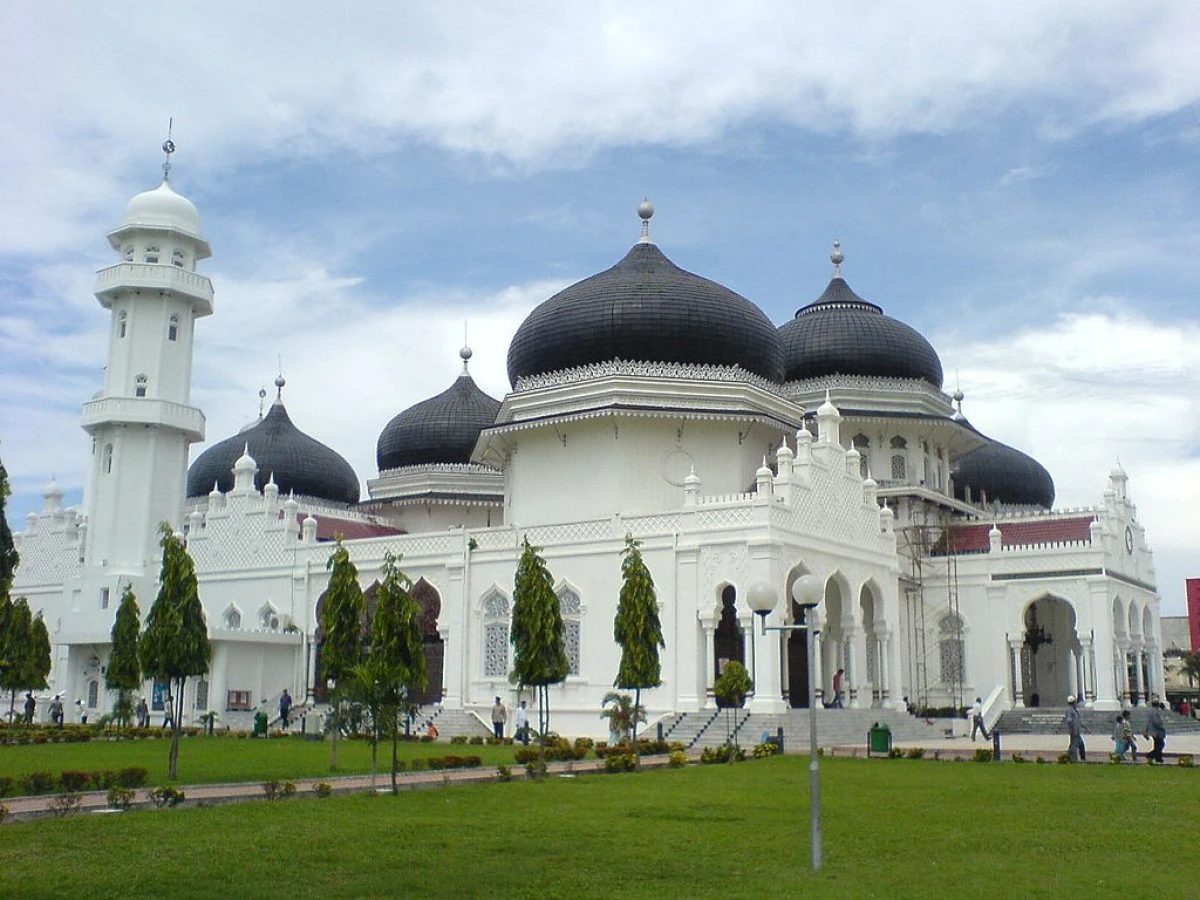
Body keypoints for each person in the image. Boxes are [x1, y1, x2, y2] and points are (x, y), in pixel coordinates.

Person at [1144, 698, 1167, 764]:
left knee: (1157, 745)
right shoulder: (1155, 712)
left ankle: (1157, 757)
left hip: (1154, 731)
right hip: (1157, 732)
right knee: (1160, 744)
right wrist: (1161, 727)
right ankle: (1151, 755)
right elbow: (1157, 722)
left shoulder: (1151, 711)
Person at [1064, 695, 1086, 761]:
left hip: (1077, 731)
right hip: (1074, 732)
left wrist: (1085, 727)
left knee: (1076, 745)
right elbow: (1069, 721)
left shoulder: (1074, 710)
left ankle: (1070, 756)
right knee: (1075, 745)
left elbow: (1077, 721)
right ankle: (1073, 758)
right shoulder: (1070, 710)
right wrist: (1074, 730)